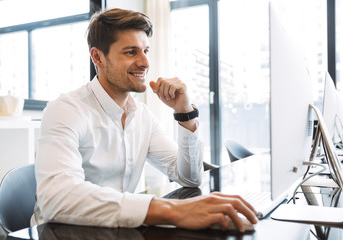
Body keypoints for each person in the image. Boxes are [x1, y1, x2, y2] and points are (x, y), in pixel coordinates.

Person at [31, 8, 258, 232]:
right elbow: (57, 198)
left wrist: (185, 113)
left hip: (117, 231)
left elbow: (190, 178)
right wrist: (174, 211)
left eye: (146, 51)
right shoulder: (65, 110)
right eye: (131, 52)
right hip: (60, 233)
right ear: (97, 57)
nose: (145, 62)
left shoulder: (142, 116)